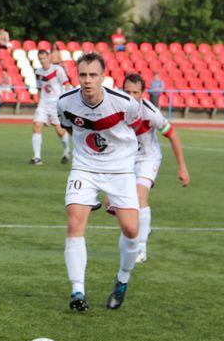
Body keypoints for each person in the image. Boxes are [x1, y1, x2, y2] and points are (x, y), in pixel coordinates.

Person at [57, 52, 142, 312]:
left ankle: (122, 280)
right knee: (75, 222)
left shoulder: (125, 103)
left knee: (131, 230)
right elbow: (67, 127)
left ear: (103, 77)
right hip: (85, 167)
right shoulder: (64, 103)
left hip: (120, 171)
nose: (87, 80)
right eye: (83, 74)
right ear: (77, 76)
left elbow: (135, 130)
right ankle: (77, 291)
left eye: (93, 75)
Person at [122, 73, 190, 263]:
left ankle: (141, 249)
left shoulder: (151, 113)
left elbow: (173, 135)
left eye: (135, 92)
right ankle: (145, 228)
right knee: (114, 204)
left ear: (143, 93)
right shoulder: (115, 107)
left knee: (139, 195)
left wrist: (182, 167)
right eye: (127, 91)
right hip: (125, 159)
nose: (130, 95)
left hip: (147, 158)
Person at [30, 48, 71, 165]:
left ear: (48, 57)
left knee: (60, 131)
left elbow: (66, 84)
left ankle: (66, 150)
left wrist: (66, 101)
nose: (42, 61)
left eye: (44, 58)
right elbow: (39, 88)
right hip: (43, 103)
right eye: (40, 59)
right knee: (37, 125)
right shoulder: (38, 72)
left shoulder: (57, 70)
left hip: (56, 104)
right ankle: (37, 157)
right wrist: (39, 102)